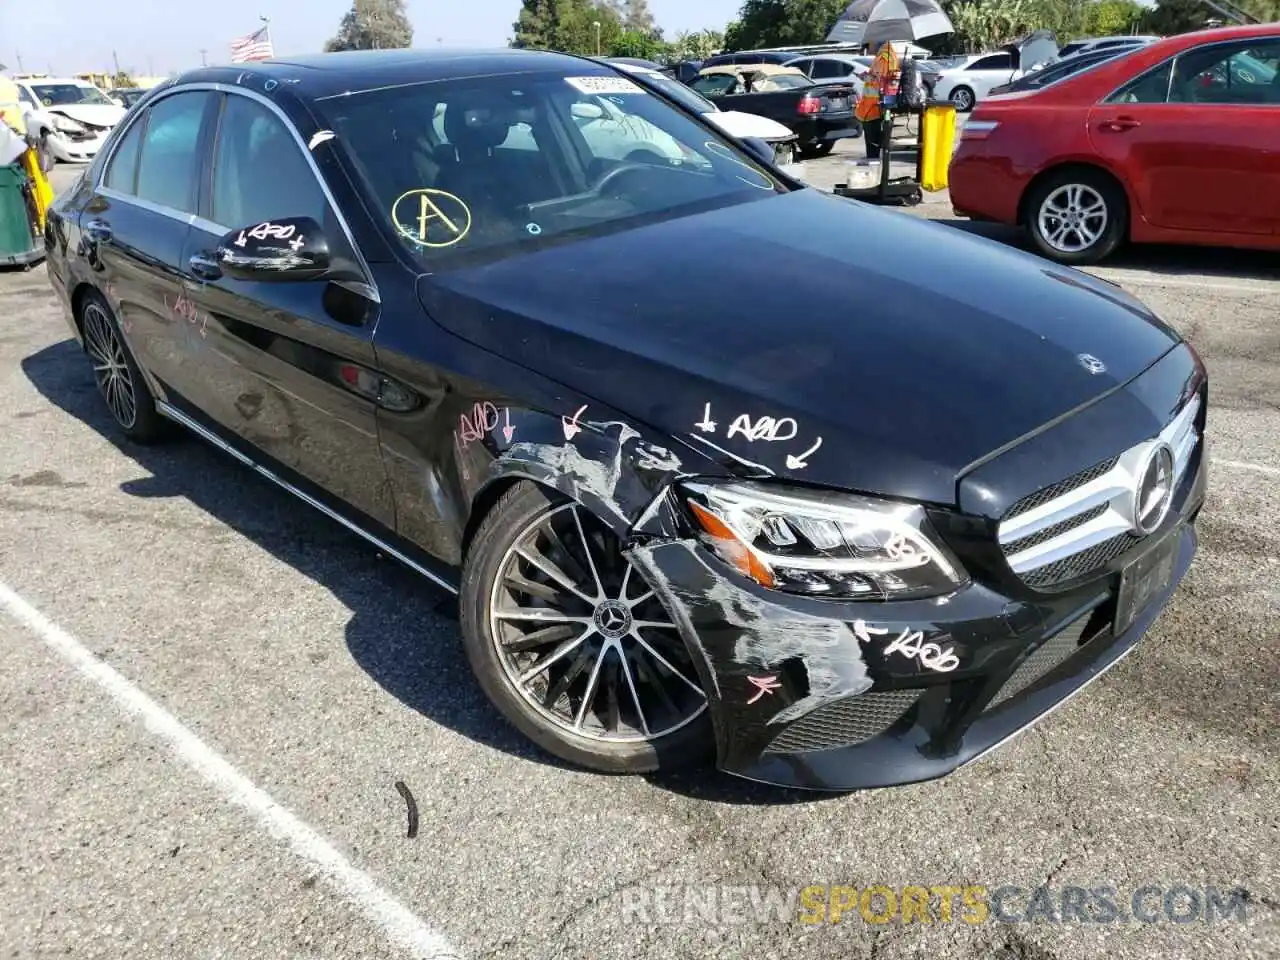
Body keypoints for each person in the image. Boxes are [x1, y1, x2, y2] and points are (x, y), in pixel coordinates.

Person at [854, 40, 901, 161]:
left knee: (873, 148)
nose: (868, 48)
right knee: (877, 146)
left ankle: (874, 168)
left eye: (869, 44)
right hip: (876, 106)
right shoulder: (886, 55)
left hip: (874, 108)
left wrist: (866, 77)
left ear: (877, 41)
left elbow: (881, 79)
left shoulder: (885, 57)